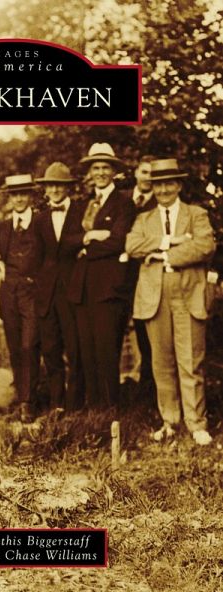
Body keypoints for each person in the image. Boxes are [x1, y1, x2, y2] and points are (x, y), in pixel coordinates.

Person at [126, 158, 215, 445]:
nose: (163, 190)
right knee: (161, 363)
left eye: (169, 183)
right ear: (152, 187)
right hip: (155, 296)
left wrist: (164, 256)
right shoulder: (143, 219)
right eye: (158, 185)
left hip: (188, 294)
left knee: (191, 361)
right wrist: (170, 241)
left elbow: (204, 245)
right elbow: (132, 245)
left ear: (178, 185)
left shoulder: (196, 214)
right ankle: (170, 421)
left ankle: (196, 423)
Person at [69, 143, 136, 410]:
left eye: (105, 167)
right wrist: (90, 236)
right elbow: (68, 241)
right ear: (89, 172)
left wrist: (86, 248)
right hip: (82, 287)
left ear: (114, 171)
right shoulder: (83, 204)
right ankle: (94, 409)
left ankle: (111, 409)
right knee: (87, 350)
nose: (100, 172)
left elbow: (118, 241)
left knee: (107, 350)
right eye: (95, 167)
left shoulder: (124, 203)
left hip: (108, 288)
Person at [0, 174, 40, 422]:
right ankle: (21, 398)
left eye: (23, 194)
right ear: (10, 197)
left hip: (32, 293)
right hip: (9, 294)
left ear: (31, 196)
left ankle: (29, 401)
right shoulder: (3, 227)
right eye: (15, 194)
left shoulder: (41, 223)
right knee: (15, 347)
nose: (19, 199)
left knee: (30, 345)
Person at [33, 162, 85, 412]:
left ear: (68, 188)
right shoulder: (40, 219)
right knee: (51, 350)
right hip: (46, 294)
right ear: (45, 189)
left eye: (60, 185)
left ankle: (75, 405)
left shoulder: (82, 212)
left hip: (73, 291)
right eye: (51, 185)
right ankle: (57, 405)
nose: (54, 190)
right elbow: (36, 256)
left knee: (75, 350)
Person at [123, 155, 157, 391]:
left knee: (146, 335)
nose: (148, 177)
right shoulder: (121, 199)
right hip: (117, 277)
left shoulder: (160, 203)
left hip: (147, 275)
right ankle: (119, 388)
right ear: (136, 172)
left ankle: (147, 389)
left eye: (153, 173)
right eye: (144, 171)